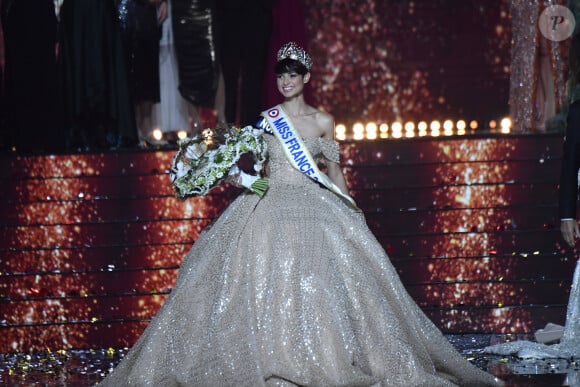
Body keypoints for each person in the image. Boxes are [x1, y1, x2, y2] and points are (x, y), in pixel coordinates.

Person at [98, 42, 501, 386]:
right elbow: (232, 162)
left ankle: (330, 355)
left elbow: (335, 173)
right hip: (268, 203)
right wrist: (245, 182)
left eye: (293, 75)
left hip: (315, 205)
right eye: (281, 75)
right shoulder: (267, 119)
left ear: (307, 78)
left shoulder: (324, 121)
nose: (286, 81)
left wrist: (350, 208)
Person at [116, 0, 167, 147]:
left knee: (147, 70)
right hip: (124, 13)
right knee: (129, 72)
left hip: (146, 15)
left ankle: (146, 129)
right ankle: (131, 130)